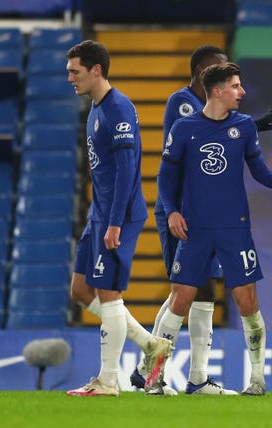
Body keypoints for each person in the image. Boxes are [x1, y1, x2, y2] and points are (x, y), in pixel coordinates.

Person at [130, 45, 272, 395]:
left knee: (247, 301)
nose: (242, 92)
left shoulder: (244, 127)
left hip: (235, 228)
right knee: (181, 297)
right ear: (216, 88)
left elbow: (260, 170)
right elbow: (165, 175)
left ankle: (256, 380)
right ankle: (152, 376)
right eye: (236, 85)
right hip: (195, 227)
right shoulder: (184, 123)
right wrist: (173, 210)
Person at [64, 40, 173, 397]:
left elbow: (128, 170)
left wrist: (113, 222)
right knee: (81, 289)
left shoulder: (118, 108)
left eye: (75, 71)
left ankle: (108, 380)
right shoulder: (96, 109)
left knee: (109, 294)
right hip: (101, 212)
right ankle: (149, 344)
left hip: (118, 215)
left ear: (96, 70)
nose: (70, 78)